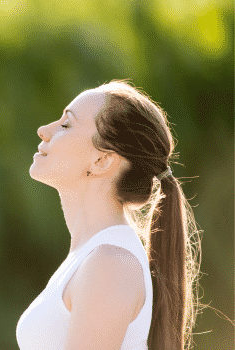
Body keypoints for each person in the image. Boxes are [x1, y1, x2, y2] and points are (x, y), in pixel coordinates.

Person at [17, 79, 203, 350]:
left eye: (66, 124)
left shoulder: (110, 263)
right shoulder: (93, 257)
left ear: (102, 160)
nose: (44, 130)